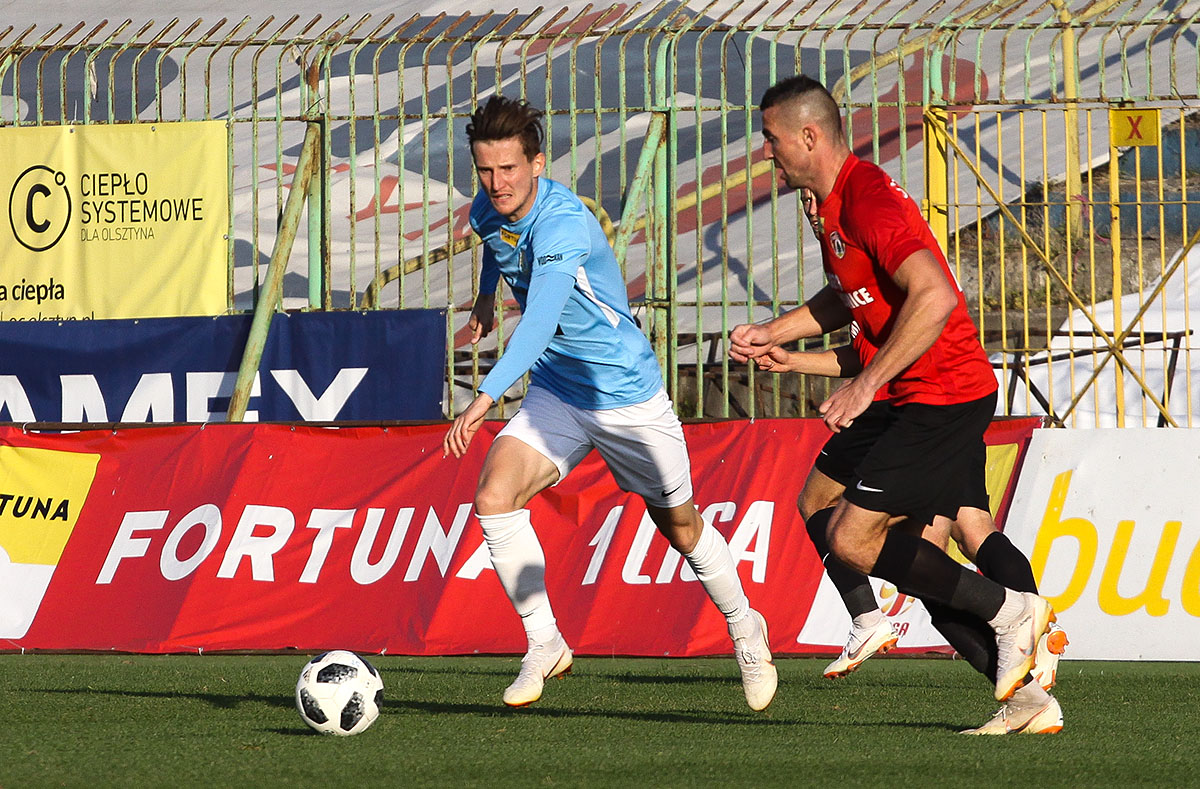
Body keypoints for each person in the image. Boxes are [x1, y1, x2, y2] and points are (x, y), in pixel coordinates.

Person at [729, 74, 1061, 733]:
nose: (765, 151)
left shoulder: (868, 199)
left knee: (860, 537)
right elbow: (847, 300)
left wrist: (865, 382)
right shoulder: (830, 207)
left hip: (942, 395)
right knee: (885, 540)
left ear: (809, 136)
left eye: (771, 138)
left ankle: (1013, 613)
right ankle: (1025, 697)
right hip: (913, 396)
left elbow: (935, 295)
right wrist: (777, 332)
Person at [443, 94, 776, 711]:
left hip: (624, 395)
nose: (497, 182)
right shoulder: (489, 207)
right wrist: (486, 295)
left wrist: (483, 398)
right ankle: (544, 642)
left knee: (680, 528)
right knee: (494, 497)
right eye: (485, 170)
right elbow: (495, 244)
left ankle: (744, 626)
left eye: (509, 168)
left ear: (537, 164)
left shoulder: (563, 225)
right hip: (559, 391)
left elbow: (539, 322)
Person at [752, 341, 1069, 720]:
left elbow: (893, 336)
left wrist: (849, 375)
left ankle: (869, 618)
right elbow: (869, 342)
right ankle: (1034, 664)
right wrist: (791, 356)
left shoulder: (909, 305)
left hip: (904, 409)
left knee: (824, 508)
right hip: (953, 404)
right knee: (973, 532)